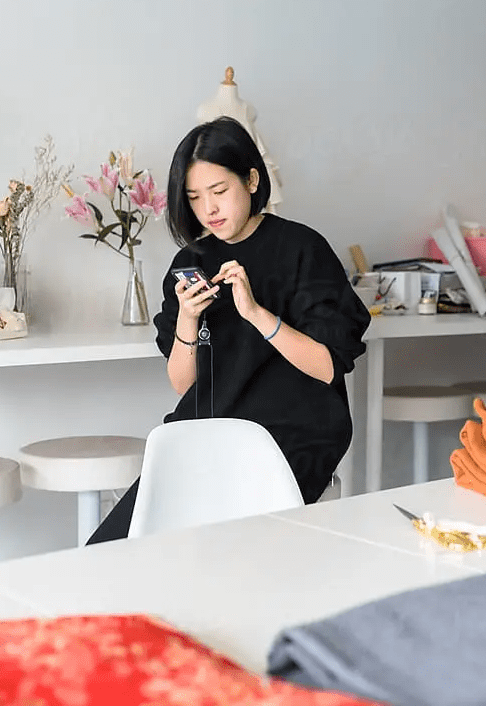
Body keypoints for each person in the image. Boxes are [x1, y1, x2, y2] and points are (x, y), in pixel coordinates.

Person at [86, 117, 371, 544]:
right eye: (195, 197)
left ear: (252, 180)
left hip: (291, 434)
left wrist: (257, 314)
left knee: (225, 549)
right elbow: (183, 383)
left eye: (219, 192)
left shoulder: (302, 249)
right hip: (207, 430)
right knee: (115, 548)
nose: (208, 209)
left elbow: (328, 367)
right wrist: (187, 319)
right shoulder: (193, 261)